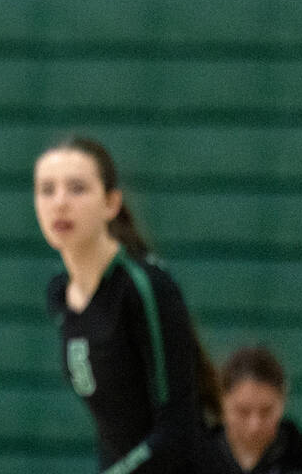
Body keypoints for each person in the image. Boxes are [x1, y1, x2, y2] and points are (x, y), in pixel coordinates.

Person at [34, 135, 233, 474]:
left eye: (77, 188)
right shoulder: (60, 294)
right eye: (47, 190)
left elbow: (177, 431)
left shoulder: (145, 287)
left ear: (111, 203)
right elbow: (111, 429)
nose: (60, 203)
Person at [214, 345, 302, 474]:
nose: (255, 425)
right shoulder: (198, 457)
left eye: (266, 411)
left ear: (282, 402)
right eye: (243, 411)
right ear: (222, 402)